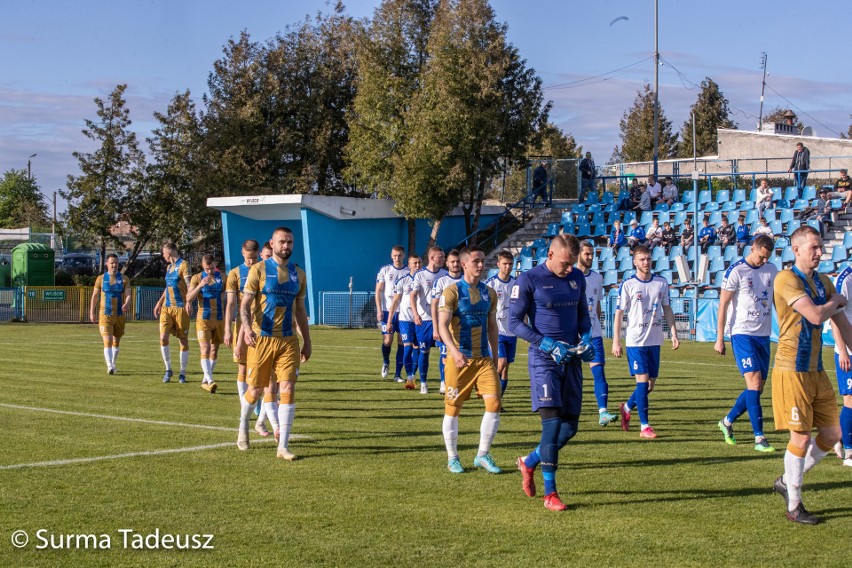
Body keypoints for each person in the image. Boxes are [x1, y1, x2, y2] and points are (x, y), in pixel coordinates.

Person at [770, 226, 852, 524]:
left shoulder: (824, 281)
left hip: (816, 369)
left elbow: (842, 323)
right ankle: (794, 505)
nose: (819, 252)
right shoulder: (786, 279)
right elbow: (818, 315)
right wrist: (835, 302)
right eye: (814, 247)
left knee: (832, 434)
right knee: (801, 438)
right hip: (791, 369)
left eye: (820, 247)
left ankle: (787, 479)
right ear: (797, 250)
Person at [510, 234, 596, 511]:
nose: (569, 268)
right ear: (550, 255)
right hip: (544, 361)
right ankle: (551, 494)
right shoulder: (529, 280)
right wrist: (543, 342)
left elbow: (583, 313)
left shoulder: (577, 278)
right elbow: (513, 322)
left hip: (571, 359)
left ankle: (529, 462)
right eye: (565, 263)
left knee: (570, 428)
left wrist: (586, 337)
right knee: (552, 425)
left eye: (572, 263)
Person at [238, 226, 311, 459]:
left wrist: (307, 341)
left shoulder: (299, 274)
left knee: (287, 387)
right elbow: (245, 305)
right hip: (262, 339)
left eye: (289, 242)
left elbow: (300, 310)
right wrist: (247, 329)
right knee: (256, 390)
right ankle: (243, 426)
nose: (286, 246)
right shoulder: (258, 270)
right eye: (282, 242)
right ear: (273, 242)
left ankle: (283, 446)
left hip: (288, 340)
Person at [438, 245, 502, 474]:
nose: (481, 265)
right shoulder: (452, 292)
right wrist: (454, 352)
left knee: (494, 404)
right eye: (476, 261)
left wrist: (496, 356)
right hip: (458, 360)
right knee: (453, 408)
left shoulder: (490, 292)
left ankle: (482, 455)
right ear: (463, 264)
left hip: (483, 360)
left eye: (483, 260)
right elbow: (442, 326)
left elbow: (493, 327)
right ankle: (453, 457)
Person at [714, 235, 778, 452]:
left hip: (763, 335)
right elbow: (722, 305)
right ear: (753, 248)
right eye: (761, 256)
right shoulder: (736, 270)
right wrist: (719, 338)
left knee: (757, 388)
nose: (763, 261)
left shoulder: (772, 270)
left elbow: (776, 301)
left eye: (767, 257)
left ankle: (727, 421)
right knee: (754, 381)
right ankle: (759, 438)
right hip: (741, 333)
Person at [612, 245, 680, 439]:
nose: (646, 262)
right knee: (642, 384)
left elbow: (667, 309)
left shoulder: (661, 282)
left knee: (649, 386)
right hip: (635, 341)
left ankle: (626, 408)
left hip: (655, 339)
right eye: (642, 259)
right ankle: (645, 427)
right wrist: (616, 341)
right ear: (634, 261)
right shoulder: (628, 284)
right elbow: (619, 314)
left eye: (648, 259)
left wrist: (673, 333)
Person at [224, 239, 267, 434]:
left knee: (261, 370)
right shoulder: (234, 274)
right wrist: (227, 329)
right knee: (242, 366)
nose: (251, 261)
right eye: (248, 258)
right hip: (242, 324)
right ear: (242, 253)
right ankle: (246, 406)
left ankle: (259, 409)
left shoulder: (264, 270)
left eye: (254, 257)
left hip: (262, 325)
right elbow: (231, 304)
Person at [578, 241, 617, 426]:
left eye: (592, 254)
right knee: (569, 375)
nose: (590, 257)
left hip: (593, 334)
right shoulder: (568, 276)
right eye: (587, 254)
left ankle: (603, 412)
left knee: (599, 371)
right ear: (578, 254)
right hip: (572, 335)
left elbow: (598, 304)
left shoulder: (597, 278)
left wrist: (596, 324)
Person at [410, 246, 447, 394]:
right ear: (432, 258)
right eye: (441, 257)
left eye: (444, 257)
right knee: (424, 352)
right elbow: (413, 295)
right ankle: (424, 383)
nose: (443, 260)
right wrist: (415, 314)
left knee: (444, 352)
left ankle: (443, 382)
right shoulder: (420, 275)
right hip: (424, 320)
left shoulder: (445, 275)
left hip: (441, 320)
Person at [153, 242, 192, 384]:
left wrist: (189, 302)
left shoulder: (184, 265)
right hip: (166, 308)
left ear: (169, 252)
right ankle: (168, 369)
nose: (163, 256)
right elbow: (168, 287)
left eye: (163, 253)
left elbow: (190, 285)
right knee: (163, 337)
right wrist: (159, 303)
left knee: (183, 340)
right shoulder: (169, 267)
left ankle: (182, 372)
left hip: (181, 307)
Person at [186, 255, 225, 393]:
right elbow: (189, 297)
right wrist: (200, 286)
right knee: (205, 348)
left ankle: (204, 380)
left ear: (215, 264)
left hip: (219, 318)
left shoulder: (223, 277)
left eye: (211, 268)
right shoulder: (197, 278)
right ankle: (210, 380)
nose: (209, 271)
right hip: (203, 318)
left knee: (214, 351)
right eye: (206, 269)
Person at [89, 253, 131, 374]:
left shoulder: (124, 279)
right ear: (107, 264)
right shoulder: (101, 279)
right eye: (112, 262)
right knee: (107, 339)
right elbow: (95, 296)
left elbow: (128, 294)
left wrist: (127, 303)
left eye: (116, 263)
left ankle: (113, 363)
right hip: (105, 314)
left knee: (116, 341)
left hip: (119, 315)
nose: (114, 265)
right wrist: (92, 312)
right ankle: (109, 366)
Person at [387, 255, 422, 388]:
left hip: (421, 320)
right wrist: (390, 321)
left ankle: (412, 375)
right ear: (409, 265)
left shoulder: (424, 279)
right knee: (407, 348)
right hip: (405, 320)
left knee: (418, 348)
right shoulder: (403, 280)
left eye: (419, 263)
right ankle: (409, 377)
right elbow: (395, 302)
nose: (417, 265)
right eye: (415, 263)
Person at [485, 250, 517, 396]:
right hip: (496, 331)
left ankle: (498, 400)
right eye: (505, 264)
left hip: (512, 331)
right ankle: (491, 395)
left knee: (505, 369)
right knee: (501, 364)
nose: (508, 267)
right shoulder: (490, 284)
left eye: (510, 264)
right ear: (498, 264)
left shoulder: (516, 284)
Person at [431, 249, 462, 395]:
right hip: (445, 326)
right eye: (452, 262)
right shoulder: (441, 281)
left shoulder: (466, 280)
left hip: (462, 327)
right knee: (445, 356)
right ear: (447, 264)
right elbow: (434, 305)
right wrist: (436, 328)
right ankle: (444, 382)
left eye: (457, 262)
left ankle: (460, 383)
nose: (455, 264)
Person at [375, 245, 408, 380]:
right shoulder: (385, 270)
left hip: (403, 312)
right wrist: (379, 310)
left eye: (399, 255)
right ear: (391, 255)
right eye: (394, 255)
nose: (397, 258)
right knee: (388, 341)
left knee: (401, 341)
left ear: (403, 256)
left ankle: (398, 374)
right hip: (387, 310)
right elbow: (378, 291)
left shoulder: (408, 271)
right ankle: (386, 361)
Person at [831, 263, 852, 467]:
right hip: (848, 351)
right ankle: (849, 453)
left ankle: (838, 437)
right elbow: (835, 318)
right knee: (850, 400)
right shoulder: (845, 279)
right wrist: (843, 351)